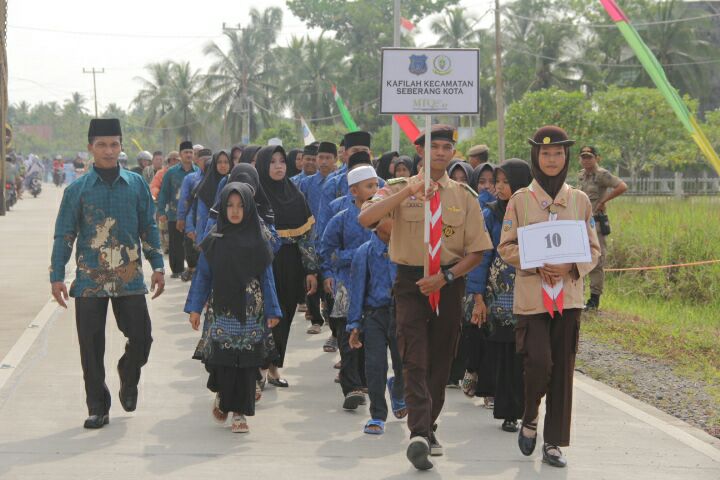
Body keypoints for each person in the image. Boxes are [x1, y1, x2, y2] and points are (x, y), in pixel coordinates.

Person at [358, 124, 492, 471]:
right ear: (421, 151)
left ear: (454, 153)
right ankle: (418, 433)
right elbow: (366, 217)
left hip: (448, 282)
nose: (442, 153)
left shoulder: (464, 195)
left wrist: (445, 277)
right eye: (435, 147)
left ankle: (428, 425)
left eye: (448, 147)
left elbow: (477, 251)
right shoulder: (398, 188)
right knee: (413, 356)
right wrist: (407, 193)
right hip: (410, 282)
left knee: (441, 360)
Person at [50, 118, 165, 429]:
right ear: (90, 148)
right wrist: (57, 276)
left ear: (121, 146)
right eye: (101, 145)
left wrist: (157, 266)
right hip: (89, 282)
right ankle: (97, 407)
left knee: (142, 338)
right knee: (90, 346)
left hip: (129, 279)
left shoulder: (137, 184)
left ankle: (129, 374)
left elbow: (149, 227)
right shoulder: (77, 190)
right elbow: (64, 234)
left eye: (114, 144)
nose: (108, 150)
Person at [498, 125, 600, 468]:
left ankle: (554, 442)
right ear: (535, 158)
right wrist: (533, 261)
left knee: (563, 372)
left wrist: (573, 265)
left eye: (558, 153)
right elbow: (505, 247)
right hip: (532, 299)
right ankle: (529, 417)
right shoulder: (520, 201)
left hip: (568, 298)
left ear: (566, 157)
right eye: (546, 154)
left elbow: (594, 249)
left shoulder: (580, 201)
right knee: (538, 362)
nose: (552, 159)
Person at [184, 182, 282, 434]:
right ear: (223, 207)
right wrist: (195, 308)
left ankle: (240, 413)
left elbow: (268, 277)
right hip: (222, 311)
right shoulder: (214, 238)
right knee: (224, 361)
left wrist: (272, 310)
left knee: (248, 364)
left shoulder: (259, 240)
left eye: (241, 206)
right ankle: (225, 399)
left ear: (249, 208)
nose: (235, 211)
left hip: (252, 312)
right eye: (230, 205)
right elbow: (203, 276)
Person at [466, 158, 533, 434]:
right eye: (498, 182)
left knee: (528, 353)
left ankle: (528, 409)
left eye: (506, 182)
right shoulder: (492, 213)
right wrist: (477, 296)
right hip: (502, 295)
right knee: (506, 351)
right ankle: (508, 412)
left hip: (532, 289)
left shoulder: (535, 211)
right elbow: (482, 256)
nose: (500, 188)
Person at [256, 145, 319, 388]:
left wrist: (311, 270)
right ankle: (260, 369)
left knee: (285, 316)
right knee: (265, 317)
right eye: (272, 162)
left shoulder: (296, 195)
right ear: (263, 165)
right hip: (263, 264)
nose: (279, 166)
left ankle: (273, 367)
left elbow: (306, 238)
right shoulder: (254, 196)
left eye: (282, 161)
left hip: (291, 264)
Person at [322, 165, 379, 410]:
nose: (375, 190)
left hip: (376, 285)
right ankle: (351, 387)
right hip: (347, 285)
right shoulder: (341, 218)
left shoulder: (385, 216)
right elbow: (328, 252)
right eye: (369, 186)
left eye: (377, 185)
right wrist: (357, 254)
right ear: (354, 191)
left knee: (370, 335)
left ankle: (366, 382)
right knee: (348, 336)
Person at [347, 216, 406, 435]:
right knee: (375, 365)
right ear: (377, 222)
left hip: (402, 314)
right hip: (374, 316)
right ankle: (377, 414)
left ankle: (398, 391)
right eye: (389, 217)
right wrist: (354, 324)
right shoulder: (365, 252)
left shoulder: (407, 248)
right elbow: (357, 290)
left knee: (404, 363)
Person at [577, 145, 628, 310]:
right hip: (582, 223)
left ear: (596, 158)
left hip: (596, 223)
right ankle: (579, 296)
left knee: (596, 260)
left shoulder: (602, 175)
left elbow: (622, 186)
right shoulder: (581, 176)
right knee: (580, 259)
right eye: (583, 157)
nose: (586, 160)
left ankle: (594, 299)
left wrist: (603, 201)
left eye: (589, 157)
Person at [157, 141, 198, 278]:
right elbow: (163, 192)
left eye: (191, 152)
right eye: (186, 152)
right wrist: (161, 211)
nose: (188, 155)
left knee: (192, 243)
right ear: (180, 155)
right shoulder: (171, 172)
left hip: (193, 215)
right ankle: (177, 269)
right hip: (174, 214)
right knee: (175, 244)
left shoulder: (198, 171)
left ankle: (192, 268)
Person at [177, 147, 212, 282]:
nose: (206, 163)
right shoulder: (191, 179)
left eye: (209, 160)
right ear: (197, 161)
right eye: (203, 160)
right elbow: (185, 201)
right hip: (195, 220)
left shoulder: (218, 179)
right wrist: (183, 221)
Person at [186, 150, 231, 250]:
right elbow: (201, 216)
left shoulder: (235, 183)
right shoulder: (205, 187)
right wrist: (202, 240)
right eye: (219, 162)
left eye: (226, 162)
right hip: (210, 237)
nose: (223, 165)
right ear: (214, 164)